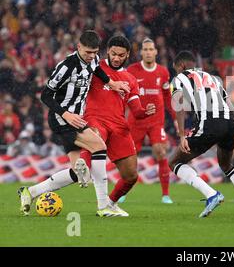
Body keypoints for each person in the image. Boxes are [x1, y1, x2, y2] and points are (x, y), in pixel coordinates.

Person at [18, 30, 130, 216]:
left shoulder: (93, 60)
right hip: (63, 119)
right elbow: (45, 95)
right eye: (87, 52)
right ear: (78, 47)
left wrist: (112, 83)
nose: (92, 56)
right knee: (99, 147)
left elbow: (98, 70)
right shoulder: (66, 67)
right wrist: (66, 114)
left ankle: (30, 192)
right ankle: (104, 207)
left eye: (95, 52)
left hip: (77, 118)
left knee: (77, 172)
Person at [169, 50, 234, 218]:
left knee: (174, 162)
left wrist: (182, 135)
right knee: (227, 166)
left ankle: (211, 194)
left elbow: (179, 104)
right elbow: (231, 108)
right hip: (228, 125)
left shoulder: (179, 78)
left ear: (181, 66)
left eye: (176, 69)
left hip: (209, 123)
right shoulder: (213, 78)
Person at [78, 35, 155, 217]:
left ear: (127, 55)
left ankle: (110, 205)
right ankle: (82, 167)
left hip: (119, 126)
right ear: (107, 52)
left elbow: (135, 111)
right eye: (113, 54)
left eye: (121, 55)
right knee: (96, 136)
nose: (116, 58)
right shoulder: (95, 67)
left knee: (131, 176)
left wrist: (145, 111)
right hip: (96, 118)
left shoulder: (130, 79)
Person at [126, 38, 178, 204]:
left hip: (156, 121)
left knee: (160, 151)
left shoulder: (163, 72)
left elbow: (167, 96)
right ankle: (123, 192)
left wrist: (176, 119)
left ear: (156, 52)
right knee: (130, 158)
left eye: (151, 49)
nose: (148, 52)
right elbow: (124, 95)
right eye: (145, 49)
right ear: (141, 52)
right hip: (136, 120)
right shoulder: (132, 70)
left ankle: (165, 195)